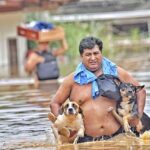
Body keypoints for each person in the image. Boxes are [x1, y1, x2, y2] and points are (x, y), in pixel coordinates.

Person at [50, 36, 148, 143]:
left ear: (101, 53)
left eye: (96, 53)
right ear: (81, 56)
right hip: (86, 140)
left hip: (118, 137)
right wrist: (63, 125)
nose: (93, 58)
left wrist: (137, 116)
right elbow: (55, 103)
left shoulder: (116, 72)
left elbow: (140, 91)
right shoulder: (72, 80)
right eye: (88, 54)